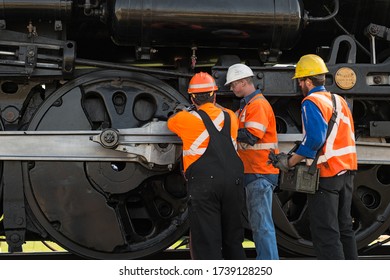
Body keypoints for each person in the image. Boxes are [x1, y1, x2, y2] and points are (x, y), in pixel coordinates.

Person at [271, 54, 358, 259]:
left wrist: (289, 162)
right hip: (347, 171)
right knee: (345, 228)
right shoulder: (339, 100)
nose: (299, 85)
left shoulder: (311, 101)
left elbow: (314, 140)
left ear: (308, 81)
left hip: (327, 173)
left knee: (325, 231)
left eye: (300, 81)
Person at [167, 72, 246, 260]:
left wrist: (183, 110)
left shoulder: (185, 119)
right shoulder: (230, 117)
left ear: (192, 98)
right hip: (233, 182)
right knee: (233, 239)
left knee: (207, 241)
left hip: (205, 184)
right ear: (215, 95)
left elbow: (171, 123)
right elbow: (219, 114)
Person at [224, 63, 279, 260]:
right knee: (259, 224)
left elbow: (251, 136)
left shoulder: (257, 105)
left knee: (261, 225)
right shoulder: (247, 106)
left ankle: (268, 265)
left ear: (243, 82)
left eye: (233, 85)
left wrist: (224, 130)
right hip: (254, 172)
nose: (231, 89)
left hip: (259, 172)